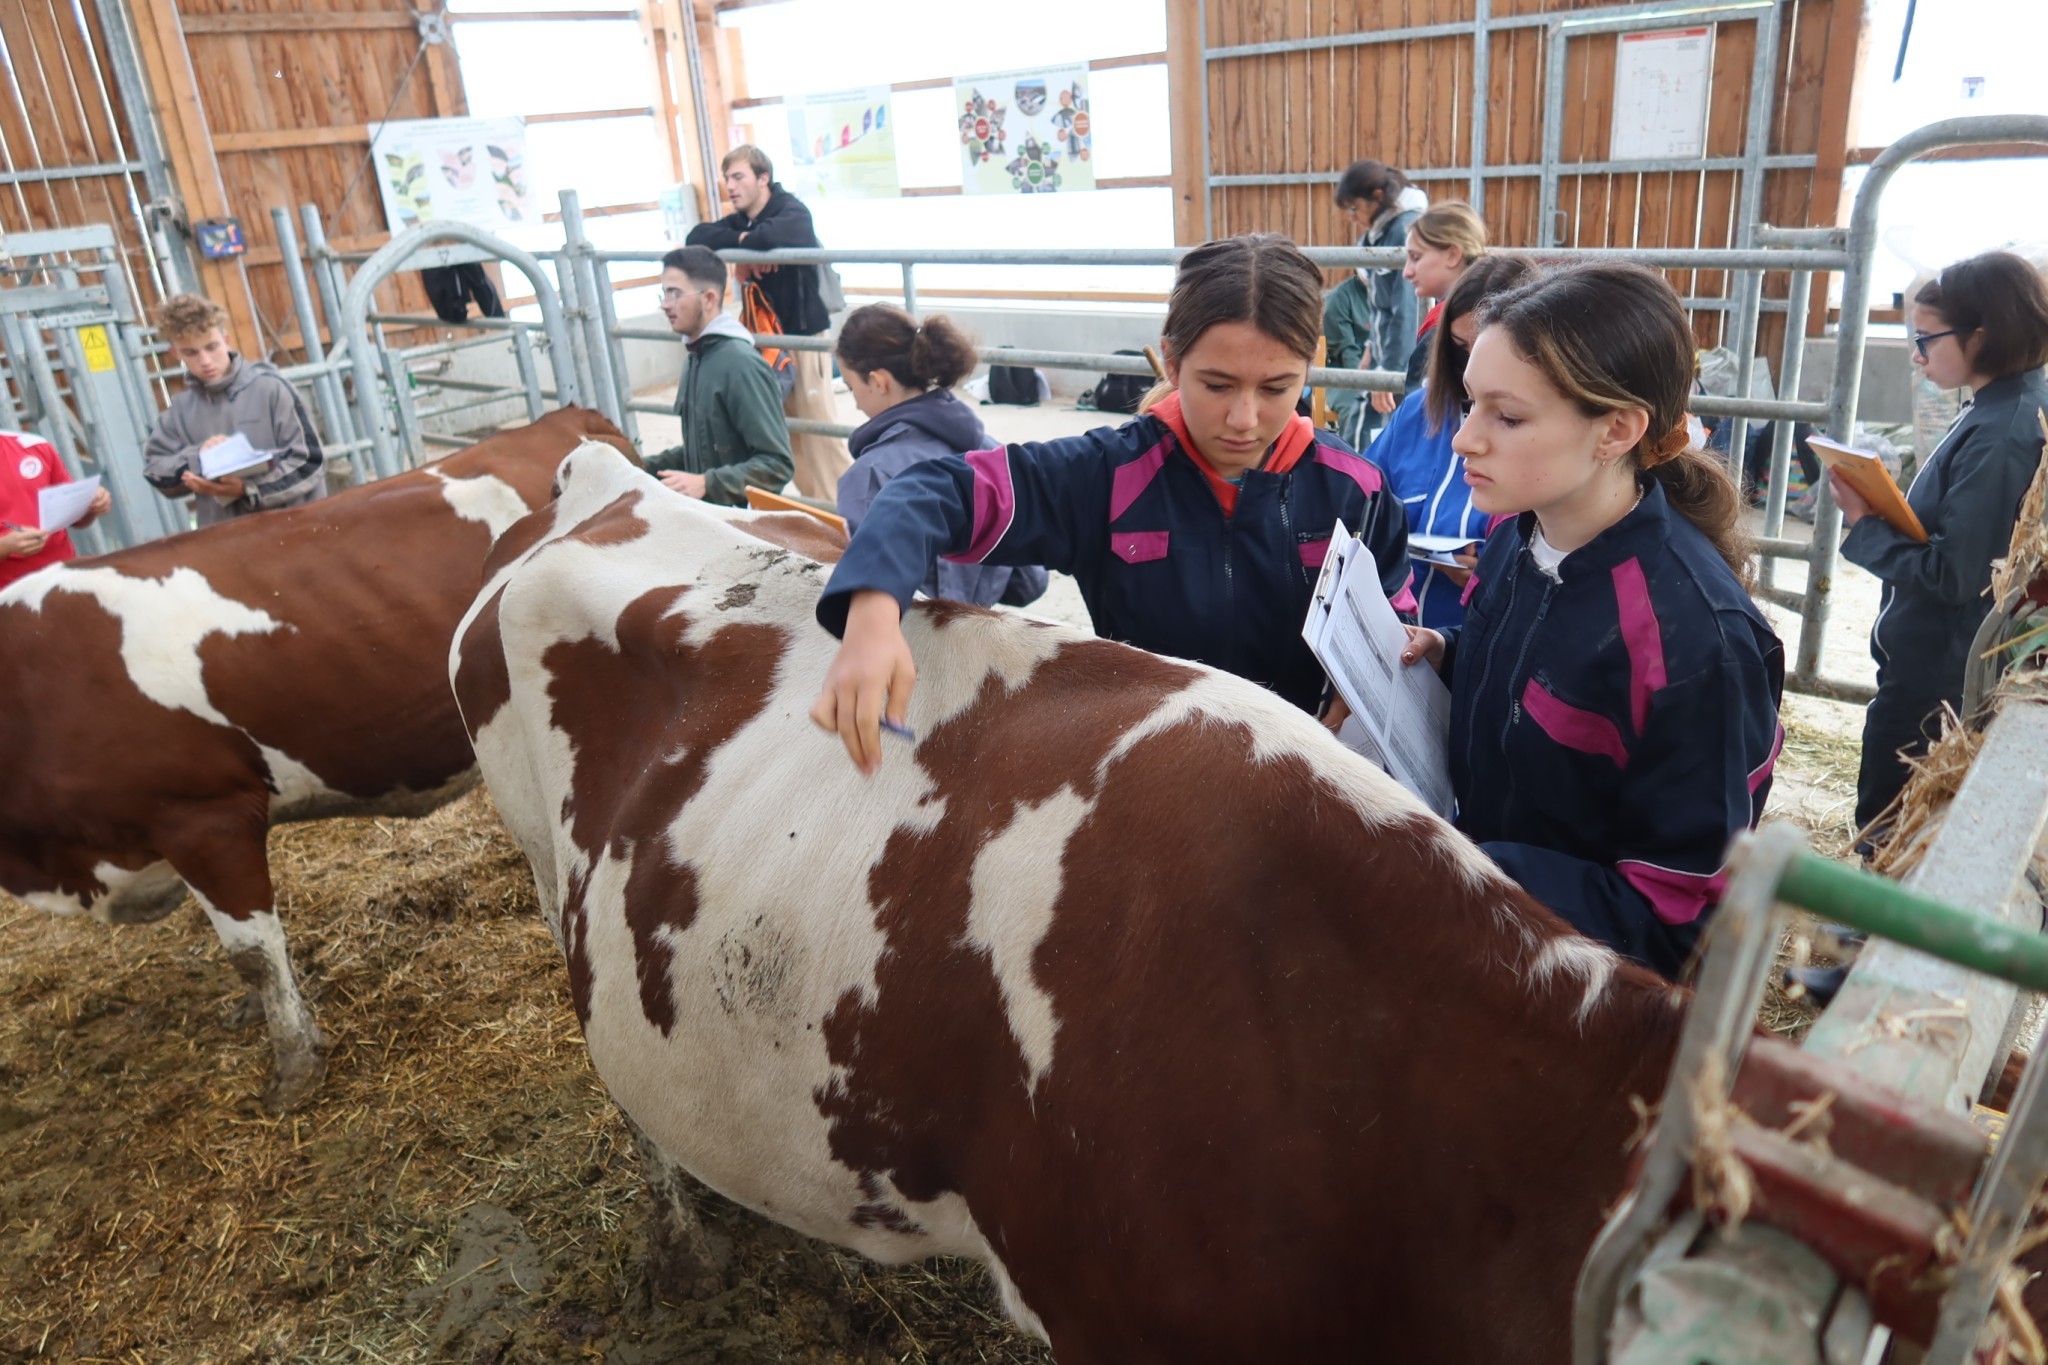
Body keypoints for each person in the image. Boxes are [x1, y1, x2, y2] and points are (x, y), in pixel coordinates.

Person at [811, 233, 1414, 774]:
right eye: (1217, 385)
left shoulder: (1355, 491)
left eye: (1277, 388)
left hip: (1308, 780)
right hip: (1146, 782)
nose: (1244, 419)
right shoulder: (1106, 474)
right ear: (1172, 362)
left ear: (1311, 365)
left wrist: (1385, 674)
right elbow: (926, 492)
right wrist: (871, 611)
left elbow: (1395, 627)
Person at [1393, 262, 1784, 979]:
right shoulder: (1517, 534)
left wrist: (1471, 867)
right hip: (1482, 927)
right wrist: (1448, 649)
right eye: (1472, 404)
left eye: (1507, 417)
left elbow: (1678, 919)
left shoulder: (1697, 642)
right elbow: (1528, 664)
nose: (1464, 440)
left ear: (1617, 430)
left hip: (1576, 993)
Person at [1835, 250, 2048, 839]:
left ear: (1982, 335)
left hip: (1944, 666)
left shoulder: (2003, 432)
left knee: (1899, 799)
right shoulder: (2000, 404)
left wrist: (1865, 523)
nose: (1917, 353)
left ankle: (1867, 922)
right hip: (1943, 653)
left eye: (1927, 338)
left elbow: (1957, 575)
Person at [835, 303, 1047, 608]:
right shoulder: (993, 453)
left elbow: (862, 600)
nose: (855, 402)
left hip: (911, 648)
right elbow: (1030, 582)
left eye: (851, 386)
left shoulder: (871, 475)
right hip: (981, 639)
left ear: (879, 381)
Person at [1368, 255, 1539, 630]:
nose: (1469, 367)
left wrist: (1495, 571)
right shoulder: (1417, 412)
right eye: (1461, 347)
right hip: (1399, 634)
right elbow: (1363, 507)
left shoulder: (1542, 433)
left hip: (1479, 638)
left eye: (1486, 349)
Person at [686, 145, 848, 501]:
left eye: (738, 176)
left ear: (764, 179)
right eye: (727, 178)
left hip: (803, 338)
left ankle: (845, 510)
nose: (730, 185)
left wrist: (749, 249)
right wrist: (747, 246)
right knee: (783, 431)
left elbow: (776, 236)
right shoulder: (743, 220)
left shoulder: (791, 211)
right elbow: (697, 236)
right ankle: (811, 508)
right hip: (765, 341)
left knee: (819, 431)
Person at [142, 293, 326, 527]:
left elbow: (311, 462)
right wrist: (198, 457)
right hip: (226, 542)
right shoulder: (179, 410)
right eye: (191, 352)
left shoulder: (272, 389)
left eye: (212, 346)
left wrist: (249, 490)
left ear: (226, 340)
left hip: (292, 531)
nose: (206, 360)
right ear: (175, 354)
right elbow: (156, 472)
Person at [644, 246, 796, 506]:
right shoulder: (695, 357)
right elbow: (704, 452)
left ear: (709, 299)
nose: (665, 304)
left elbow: (777, 465)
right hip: (709, 516)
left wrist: (707, 483)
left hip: (739, 523)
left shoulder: (741, 365)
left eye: (675, 293)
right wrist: (634, 466)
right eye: (664, 293)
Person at [1324, 159, 1428, 445]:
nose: (1352, 217)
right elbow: (1382, 306)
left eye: (1354, 208)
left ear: (1378, 198)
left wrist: (1389, 372)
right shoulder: (1383, 230)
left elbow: (1404, 309)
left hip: (1399, 361)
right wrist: (1372, 348)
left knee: (1371, 436)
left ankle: (1361, 488)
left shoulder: (1401, 231)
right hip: (1388, 358)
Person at [0, 430, 112, 590]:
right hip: (7, 600)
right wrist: (5, 546)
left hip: (65, 584)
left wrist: (91, 504)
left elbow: (78, 520)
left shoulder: (34, 446)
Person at [1398, 201, 1488, 393]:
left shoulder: (1444, 328)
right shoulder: (1496, 308)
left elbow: (1421, 411)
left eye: (1416, 257)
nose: (1407, 272)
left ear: (1452, 255)